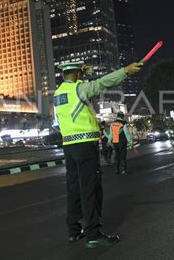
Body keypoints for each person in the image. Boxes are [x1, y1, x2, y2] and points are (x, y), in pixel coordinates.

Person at [53, 60, 142, 248]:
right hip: (86, 146)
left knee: (73, 187)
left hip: (69, 146)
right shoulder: (81, 89)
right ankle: (93, 233)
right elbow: (102, 83)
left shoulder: (58, 93)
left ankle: (74, 231)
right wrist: (125, 71)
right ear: (77, 74)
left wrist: (80, 74)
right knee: (90, 188)